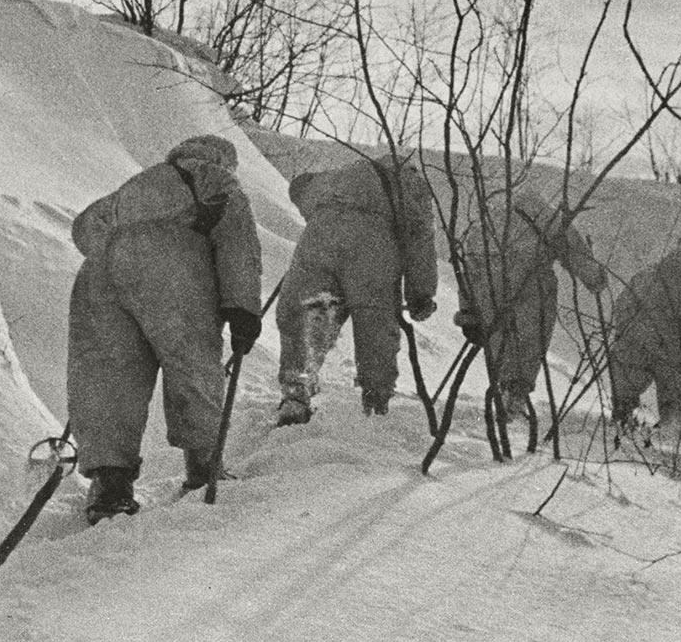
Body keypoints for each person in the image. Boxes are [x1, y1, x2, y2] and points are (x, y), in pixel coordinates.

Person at [67, 134, 263, 524]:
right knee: (191, 363)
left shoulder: (140, 183)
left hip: (99, 274)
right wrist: (243, 309)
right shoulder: (215, 179)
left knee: (109, 375)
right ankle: (204, 467)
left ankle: (111, 485)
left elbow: (84, 227)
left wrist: (121, 252)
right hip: (172, 265)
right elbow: (237, 241)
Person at [274, 152, 438, 425]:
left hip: (320, 239)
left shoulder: (345, 171)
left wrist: (326, 219)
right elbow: (420, 238)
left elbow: (301, 189)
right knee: (375, 324)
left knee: (309, 316)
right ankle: (376, 401)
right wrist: (420, 293)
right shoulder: (412, 185)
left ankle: (295, 394)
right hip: (372, 250)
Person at [451, 177, 607, 449]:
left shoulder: (485, 221)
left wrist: (468, 312)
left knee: (499, 338)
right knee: (531, 336)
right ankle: (516, 394)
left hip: (490, 286)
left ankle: (503, 389)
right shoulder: (544, 214)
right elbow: (573, 250)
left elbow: (470, 267)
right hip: (529, 284)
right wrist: (594, 278)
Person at [608, 246, 681, 441]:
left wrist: (625, 332)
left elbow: (621, 306)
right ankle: (672, 434)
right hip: (665, 344)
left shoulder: (643, 276)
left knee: (626, 383)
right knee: (674, 391)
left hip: (630, 341)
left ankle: (621, 419)